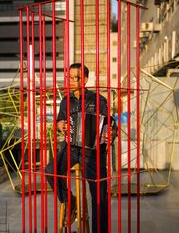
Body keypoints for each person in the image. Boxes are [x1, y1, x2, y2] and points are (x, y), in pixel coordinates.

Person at [45, 63, 114, 233]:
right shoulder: (65, 101)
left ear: (84, 80)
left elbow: (110, 125)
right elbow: (59, 122)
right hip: (71, 148)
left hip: (92, 152)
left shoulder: (98, 100)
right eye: (69, 77)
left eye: (75, 78)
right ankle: (69, 200)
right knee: (50, 171)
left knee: (99, 194)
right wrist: (60, 125)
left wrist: (110, 134)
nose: (70, 81)